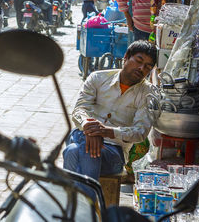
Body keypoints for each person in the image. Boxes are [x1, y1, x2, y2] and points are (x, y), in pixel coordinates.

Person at [63, 40, 157, 199]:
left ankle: (78, 207)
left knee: (73, 151)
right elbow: (79, 109)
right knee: (82, 148)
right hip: (83, 136)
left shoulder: (148, 93)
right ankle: (89, 208)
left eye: (148, 66)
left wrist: (107, 132)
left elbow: (140, 132)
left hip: (115, 154)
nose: (141, 68)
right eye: (139, 61)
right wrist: (88, 124)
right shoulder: (98, 78)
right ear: (126, 57)